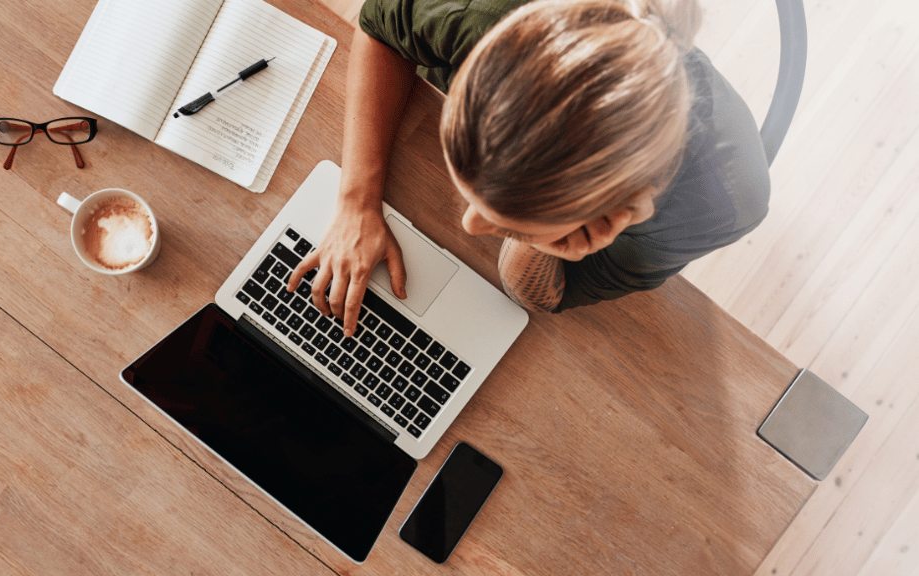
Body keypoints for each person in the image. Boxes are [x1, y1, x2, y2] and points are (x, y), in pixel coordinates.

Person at [288, 0, 771, 337]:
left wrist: (538, 245)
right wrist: (355, 201)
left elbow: (534, 293)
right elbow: (382, 24)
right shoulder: (484, 14)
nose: (470, 225)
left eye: (505, 220)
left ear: (618, 214)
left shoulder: (717, 208)